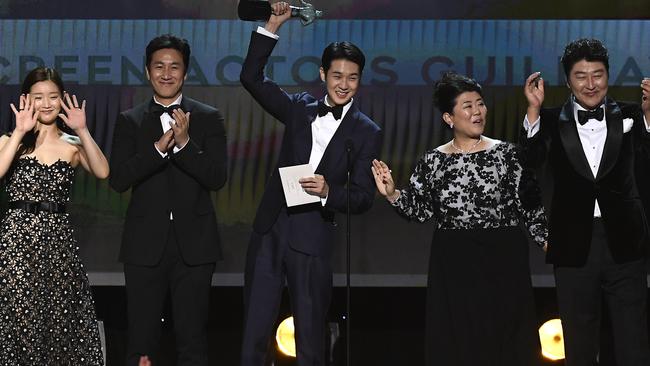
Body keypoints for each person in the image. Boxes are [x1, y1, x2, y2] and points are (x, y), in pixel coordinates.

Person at [238, 2, 382, 365]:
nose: (343, 84)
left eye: (351, 77)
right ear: (323, 75)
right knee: (254, 333)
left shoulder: (367, 132)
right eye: (337, 76)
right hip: (271, 230)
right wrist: (273, 24)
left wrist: (330, 192)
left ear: (359, 80)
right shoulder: (299, 108)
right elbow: (251, 78)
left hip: (313, 238)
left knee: (311, 341)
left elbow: (364, 197)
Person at [372, 71, 547, 366]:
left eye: (480, 104)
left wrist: (546, 241)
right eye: (467, 106)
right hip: (454, 260)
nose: (477, 112)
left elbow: (529, 203)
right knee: (459, 339)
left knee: (507, 337)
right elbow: (420, 210)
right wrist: (392, 193)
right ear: (448, 118)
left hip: (502, 256)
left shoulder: (506, 154)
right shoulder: (433, 160)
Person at [521, 38, 650, 366]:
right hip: (573, 246)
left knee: (633, 341)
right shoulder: (548, 120)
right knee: (578, 344)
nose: (591, 84)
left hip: (625, 243)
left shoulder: (634, 114)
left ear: (608, 76)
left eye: (598, 74)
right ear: (567, 81)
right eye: (581, 76)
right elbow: (529, 164)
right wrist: (533, 111)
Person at [109, 34, 228, 366]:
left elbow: (217, 177)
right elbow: (118, 179)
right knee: (141, 343)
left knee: (192, 343)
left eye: (174, 67)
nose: (166, 73)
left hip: (196, 247)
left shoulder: (208, 117)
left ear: (185, 73)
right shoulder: (129, 120)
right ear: (147, 72)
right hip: (144, 246)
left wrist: (186, 144)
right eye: (158, 66)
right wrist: (158, 150)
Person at [0, 67, 109, 364]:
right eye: (38, 97)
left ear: (62, 99)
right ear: (26, 100)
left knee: (58, 319)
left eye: (53, 97)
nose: (46, 103)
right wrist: (20, 131)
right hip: (17, 244)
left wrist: (83, 130)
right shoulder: (9, 140)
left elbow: (103, 171)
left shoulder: (72, 145)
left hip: (57, 244)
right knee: (21, 320)